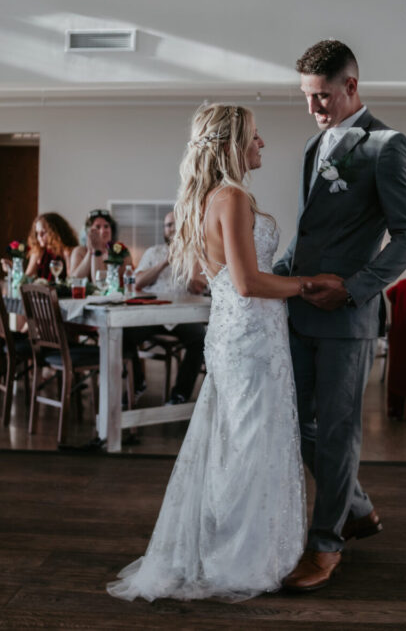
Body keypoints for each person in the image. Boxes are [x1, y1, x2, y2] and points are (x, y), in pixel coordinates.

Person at [107, 103, 341, 602]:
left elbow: (215, 278)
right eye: (255, 137)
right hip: (250, 341)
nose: (262, 144)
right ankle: (238, 557)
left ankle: (234, 545)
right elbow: (247, 281)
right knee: (249, 445)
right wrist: (306, 285)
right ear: (232, 145)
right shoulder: (231, 197)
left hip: (242, 334)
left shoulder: (213, 197)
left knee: (239, 442)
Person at [274, 39, 406, 592]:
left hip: (346, 320)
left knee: (338, 434)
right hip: (297, 312)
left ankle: (325, 545)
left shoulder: (387, 145)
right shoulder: (315, 150)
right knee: (294, 423)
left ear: (351, 87)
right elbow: (308, 234)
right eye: (307, 98)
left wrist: (357, 289)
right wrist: (263, 280)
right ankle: (357, 509)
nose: (314, 108)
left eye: (322, 96)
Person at [124, 211, 207, 406]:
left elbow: (198, 288)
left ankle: (180, 395)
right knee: (124, 335)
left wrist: (182, 266)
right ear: (164, 229)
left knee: (200, 339)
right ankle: (137, 383)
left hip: (184, 316)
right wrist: (164, 263)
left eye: (176, 225)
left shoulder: (196, 253)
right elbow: (137, 283)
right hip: (153, 315)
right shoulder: (153, 252)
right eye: (168, 225)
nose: (172, 229)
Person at [0, 212, 78, 281]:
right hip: (42, 295)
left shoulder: (67, 251)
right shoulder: (38, 252)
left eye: (43, 233)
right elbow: (27, 278)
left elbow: (70, 280)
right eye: (37, 233)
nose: (39, 237)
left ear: (55, 232)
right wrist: (13, 269)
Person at [68, 209, 134, 282]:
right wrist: (90, 252)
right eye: (97, 227)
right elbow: (74, 280)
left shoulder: (121, 251)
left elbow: (103, 282)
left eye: (106, 226)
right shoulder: (80, 251)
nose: (103, 231)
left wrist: (97, 252)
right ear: (89, 232)